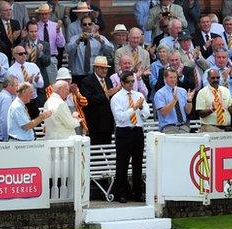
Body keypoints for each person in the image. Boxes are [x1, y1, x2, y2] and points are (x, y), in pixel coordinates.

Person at [110, 71, 150, 203]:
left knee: (138, 163)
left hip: (137, 130)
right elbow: (120, 118)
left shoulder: (138, 95)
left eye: (133, 81)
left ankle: (137, 191)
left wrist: (141, 107)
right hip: (123, 131)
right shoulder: (116, 98)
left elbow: (146, 114)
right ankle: (121, 192)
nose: (131, 84)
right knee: (122, 163)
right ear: (122, 83)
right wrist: (134, 108)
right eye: (128, 82)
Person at [66, 15, 113, 86]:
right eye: (85, 24)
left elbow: (110, 50)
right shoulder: (74, 38)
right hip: (78, 75)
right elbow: (68, 50)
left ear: (93, 25)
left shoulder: (100, 38)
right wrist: (78, 41)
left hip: (95, 75)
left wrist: (100, 40)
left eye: (89, 24)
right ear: (81, 26)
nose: (87, 26)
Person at [79, 56, 117, 145]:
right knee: (96, 152)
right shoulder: (87, 81)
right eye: (102, 68)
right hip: (94, 123)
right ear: (95, 68)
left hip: (107, 123)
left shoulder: (108, 80)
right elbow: (88, 99)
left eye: (106, 68)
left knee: (107, 148)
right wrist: (106, 95)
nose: (105, 70)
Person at [6, 45, 44, 119]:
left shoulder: (33, 66)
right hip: (20, 101)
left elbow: (41, 84)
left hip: (33, 100)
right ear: (14, 55)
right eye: (20, 54)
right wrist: (28, 83)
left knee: (36, 124)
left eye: (25, 53)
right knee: (24, 124)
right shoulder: (10, 71)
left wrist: (36, 81)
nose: (23, 55)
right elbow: (14, 89)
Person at [154, 68, 195, 134]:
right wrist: (174, 101)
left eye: (175, 77)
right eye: (171, 77)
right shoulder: (160, 93)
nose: (173, 80)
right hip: (168, 127)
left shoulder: (183, 91)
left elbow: (188, 111)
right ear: (165, 78)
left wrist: (189, 101)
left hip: (183, 126)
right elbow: (163, 112)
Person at [35, 3, 66, 86]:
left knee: (53, 86)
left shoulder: (55, 25)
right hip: (39, 59)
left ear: (49, 14)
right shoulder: (35, 27)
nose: (44, 16)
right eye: (42, 14)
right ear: (39, 15)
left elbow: (61, 45)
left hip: (51, 59)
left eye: (46, 14)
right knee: (40, 85)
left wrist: (58, 31)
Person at [0, 75, 18, 142]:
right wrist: (6, 139)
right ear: (9, 86)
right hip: (2, 138)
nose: (18, 88)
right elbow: (5, 120)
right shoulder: (6, 98)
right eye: (16, 85)